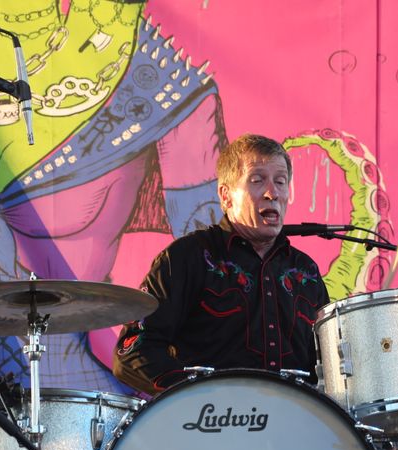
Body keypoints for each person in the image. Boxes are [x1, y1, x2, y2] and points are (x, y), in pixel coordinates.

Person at [113, 134, 330, 395]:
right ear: (226, 196)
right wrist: (194, 394)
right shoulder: (188, 257)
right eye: (257, 180)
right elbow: (133, 349)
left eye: (280, 182)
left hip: (293, 417)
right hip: (211, 417)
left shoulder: (305, 271)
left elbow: (330, 365)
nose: (272, 193)